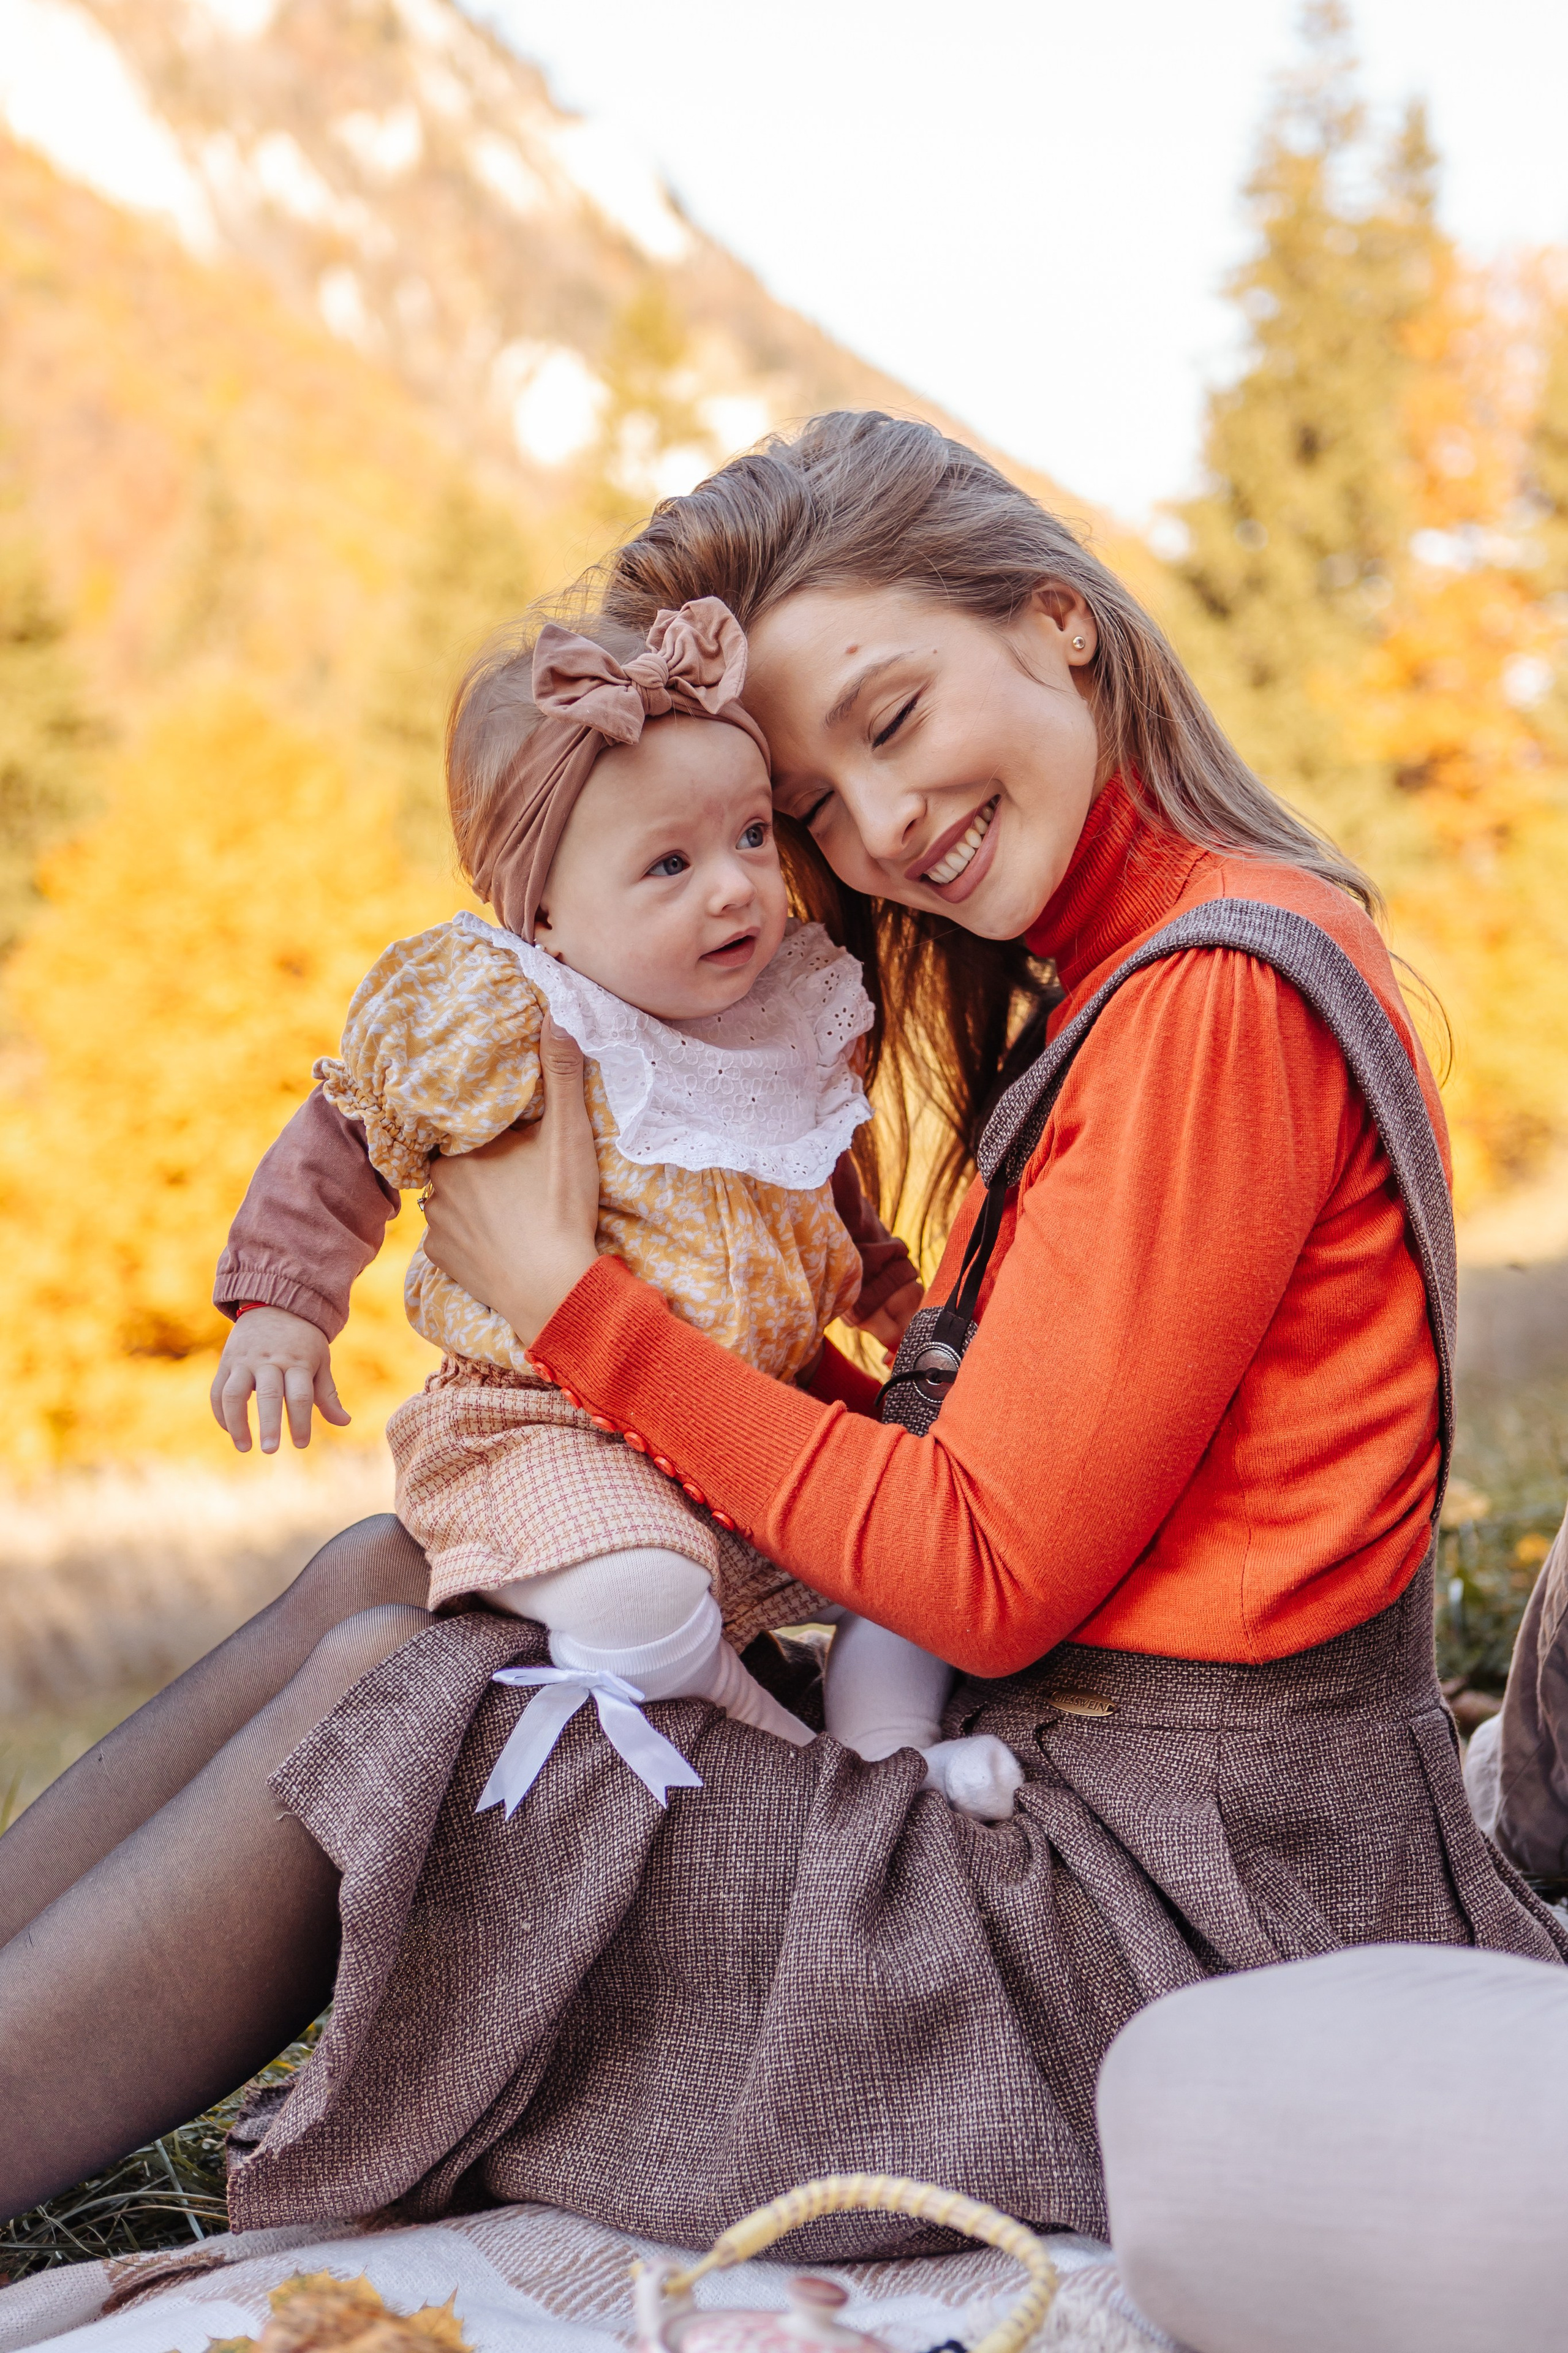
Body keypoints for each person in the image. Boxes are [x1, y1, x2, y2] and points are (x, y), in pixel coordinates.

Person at [0, 412, 1561, 2251]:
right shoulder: (1135, 977)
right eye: (811, 807)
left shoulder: (1221, 995)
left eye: (889, 722)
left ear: (1058, 620)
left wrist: (577, 1308)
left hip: (1176, 1899)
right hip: (1096, 1800)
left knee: (405, 1703)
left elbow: (978, 1567)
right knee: (388, 1579)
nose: (875, 831)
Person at [209, 592, 1016, 1813]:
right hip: (550, 1426)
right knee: (637, 1601)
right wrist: (283, 1304)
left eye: (750, 836)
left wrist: (899, 1305)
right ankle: (786, 1760)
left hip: (746, 1414)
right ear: (541, 910)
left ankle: (888, 1749)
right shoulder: (507, 1013)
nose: (736, 889)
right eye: (668, 864)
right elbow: (347, 1138)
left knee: (921, 1557)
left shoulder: (779, 1020)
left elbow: (829, 1201)